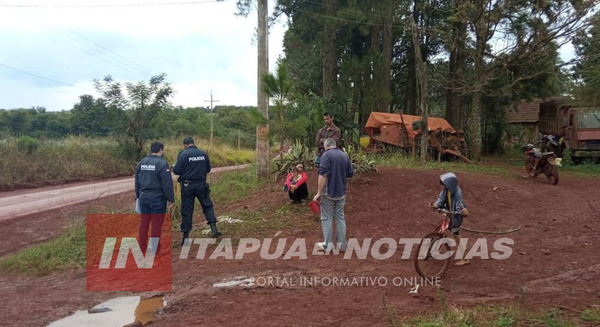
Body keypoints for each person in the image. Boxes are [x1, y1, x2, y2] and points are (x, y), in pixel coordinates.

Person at [173, 137, 221, 243]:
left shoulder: (183, 155)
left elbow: (176, 171)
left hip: (187, 186)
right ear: (193, 143)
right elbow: (208, 169)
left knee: (187, 210)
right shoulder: (203, 154)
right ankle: (214, 228)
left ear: (185, 145)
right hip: (201, 184)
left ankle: (185, 237)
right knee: (207, 205)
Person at [313, 138, 354, 252]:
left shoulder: (326, 156)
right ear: (334, 145)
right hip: (341, 192)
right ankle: (342, 245)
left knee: (327, 217)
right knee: (340, 217)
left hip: (328, 192)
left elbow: (323, 174)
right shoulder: (344, 155)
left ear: (326, 146)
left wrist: (319, 193)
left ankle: (327, 245)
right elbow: (350, 173)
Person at [134, 141, 175, 254]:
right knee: (156, 224)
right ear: (161, 150)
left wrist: (138, 196)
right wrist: (171, 198)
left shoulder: (141, 163)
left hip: (143, 198)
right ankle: (155, 249)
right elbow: (167, 183)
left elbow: (137, 182)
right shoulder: (162, 164)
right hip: (157, 198)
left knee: (144, 222)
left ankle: (142, 247)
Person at [430, 172, 470, 266]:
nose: (443, 185)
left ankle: (465, 258)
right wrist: (435, 205)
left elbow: (460, 208)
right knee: (442, 229)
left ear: (450, 184)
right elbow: (441, 200)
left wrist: (463, 211)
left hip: (456, 217)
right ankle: (434, 248)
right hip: (449, 212)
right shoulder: (446, 189)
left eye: (445, 183)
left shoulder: (458, 194)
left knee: (456, 235)